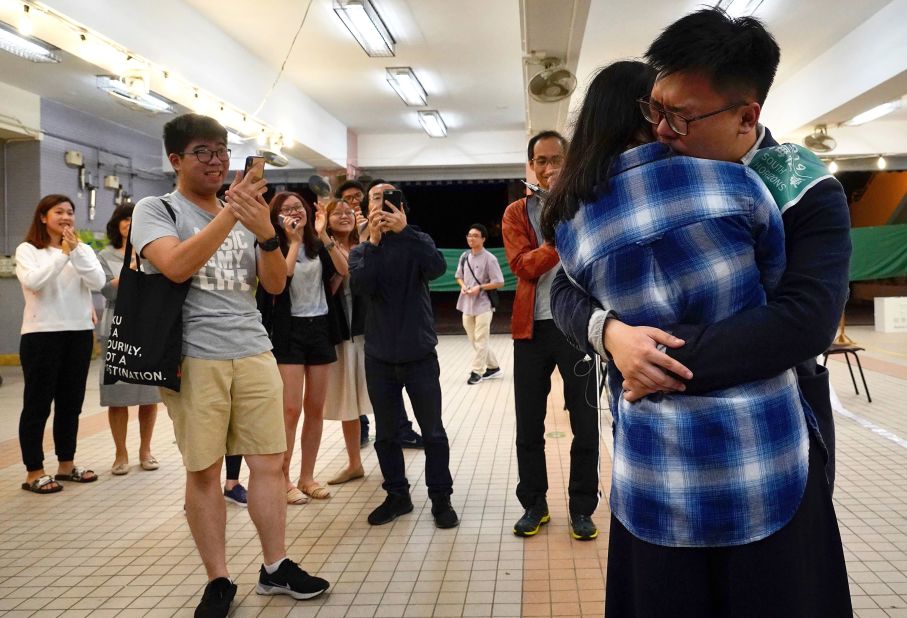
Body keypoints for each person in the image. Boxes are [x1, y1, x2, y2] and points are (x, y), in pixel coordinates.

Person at [546, 18, 852, 617]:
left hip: (769, 445)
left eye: (681, 117)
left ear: (746, 117)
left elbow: (804, 321)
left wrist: (652, 360)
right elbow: (563, 284)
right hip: (656, 458)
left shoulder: (801, 188)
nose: (659, 131)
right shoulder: (648, 175)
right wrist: (611, 335)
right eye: (654, 108)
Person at [132, 113, 329, 616]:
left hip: (255, 348)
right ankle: (218, 579)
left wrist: (264, 233)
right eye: (203, 151)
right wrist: (232, 213)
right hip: (194, 356)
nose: (217, 159)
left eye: (222, 150)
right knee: (204, 470)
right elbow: (174, 265)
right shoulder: (156, 209)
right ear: (175, 159)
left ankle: (275, 566)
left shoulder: (240, 214)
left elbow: (275, 285)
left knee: (268, 463)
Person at [501, 132, 601, 541]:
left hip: (578, 327)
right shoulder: (515, 213)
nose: (549, 168)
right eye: (541, 161)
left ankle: (582, 508)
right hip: (532, 329)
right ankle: (534, 504)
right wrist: (562, 239)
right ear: (532, 167)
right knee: (529, 424)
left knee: (586, 422)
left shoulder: (589, 204)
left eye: (557, 159)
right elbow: (523, 266)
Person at [349, 181, 458, 529]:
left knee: (434, 433)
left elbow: (438, 269)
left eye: (388, 200)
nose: (381, 206)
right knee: (385, 435)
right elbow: (362, 287)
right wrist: (375, 243)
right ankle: (397, 495)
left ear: (402, 208)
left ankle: (441, 498)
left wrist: (406, 232)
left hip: (420, 353)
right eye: (375, 201)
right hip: (379, 356)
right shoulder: (361, 251)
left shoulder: (417, 239)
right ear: (367, 210)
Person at [256, 191, 346, 504]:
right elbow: (283, 276)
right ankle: (283, 479)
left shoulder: (317, 243)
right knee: (290, 409)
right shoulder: (270, 244)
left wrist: (321, 234)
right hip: (288, 331)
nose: (295, 212)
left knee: (315, 409)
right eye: (287, 208)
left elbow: (343, 271)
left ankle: (307, 476)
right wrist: (292, 241)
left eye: (299, 207)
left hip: (320, 328)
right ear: (276, 215)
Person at [16, 194, 105, 494]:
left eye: (70, 212)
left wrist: (76, 251)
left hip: (78, 333)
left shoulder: (81, 250)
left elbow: (97, 281)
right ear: (43, 217)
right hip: (41, 335)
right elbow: (35, 283)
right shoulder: (28, 250)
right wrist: (63, 254)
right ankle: (34, 471)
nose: (66, 217)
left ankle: (66, 465)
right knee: (38, 405)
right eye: (59, 212)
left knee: (71, 404)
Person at [336, 180, 424, 450]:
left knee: (383, 384)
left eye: (357, 197)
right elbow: (355, 277)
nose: (352, 204)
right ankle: (362, 430)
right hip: (347, 322)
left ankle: (402, 429)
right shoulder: (346, 233)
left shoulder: (392, 231)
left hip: (378, 323)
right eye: (347, 199)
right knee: (358, 383)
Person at [97, 204, 162, 476]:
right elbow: (106, 291)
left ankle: (145, 450)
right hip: (116, 327)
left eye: (134, 218)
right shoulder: (104, 255)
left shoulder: (155, 252)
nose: (129, 223)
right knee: (117, 395)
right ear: (116, 224)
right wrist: (131, 269)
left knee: (149, 394)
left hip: (147, 327)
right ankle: (120, 453)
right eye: (124, 218)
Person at [322, 198, 370, 485]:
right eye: (336, 213)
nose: (344, 216)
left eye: (348, 212)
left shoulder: (367, 245)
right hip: (340, 333)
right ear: (325, 220)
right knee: (348, 401)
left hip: (370, 331)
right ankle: (354, 463)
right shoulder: (321, 250)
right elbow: (325, 289)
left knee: (380, 396)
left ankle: (390, 461)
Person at [454, 223, 504, 385]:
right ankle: (494, 367)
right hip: (467, 303)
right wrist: (463, 287)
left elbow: (499, 282)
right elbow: (458, 276)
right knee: (473, 339)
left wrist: (480, 287)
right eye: (469, 235)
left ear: (483, 239)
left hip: (484, 304)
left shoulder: (490, 258)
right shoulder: (464, 257)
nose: (471, 238)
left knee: (481, 339)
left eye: (475, 236)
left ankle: (477, 371)